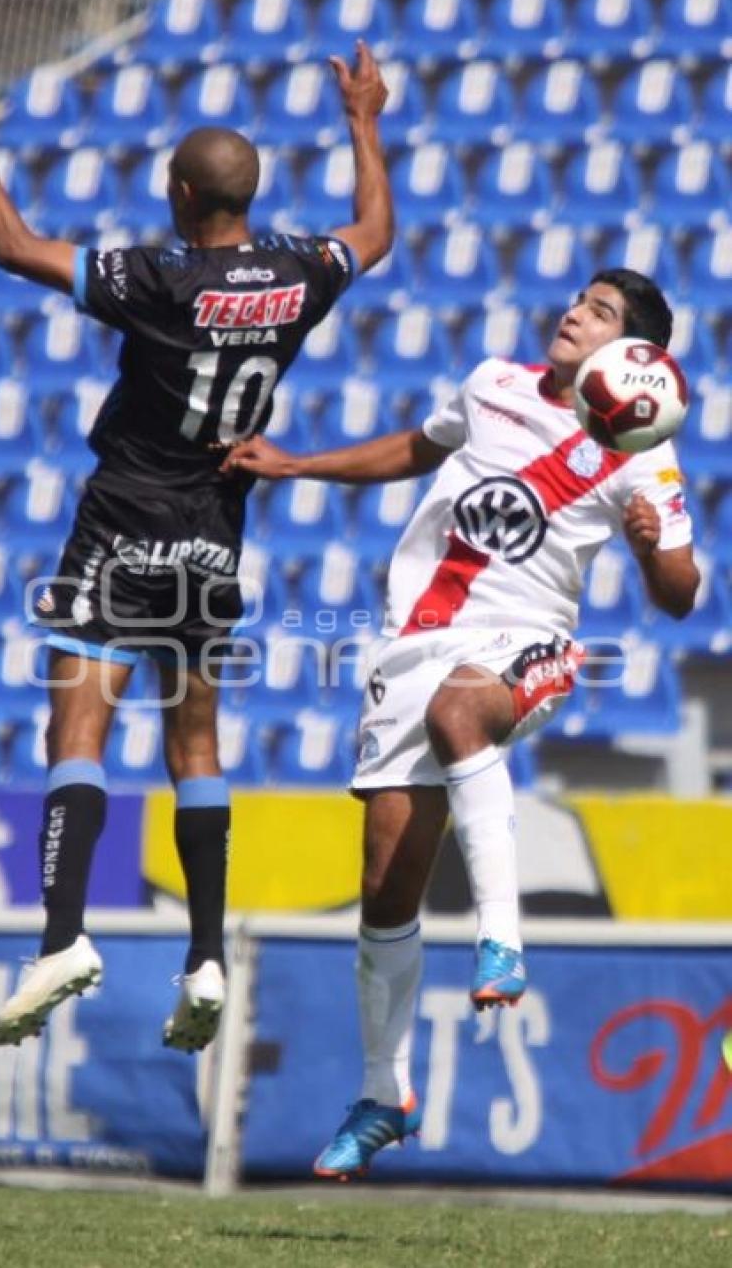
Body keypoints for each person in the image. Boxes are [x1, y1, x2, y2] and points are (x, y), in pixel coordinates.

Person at [0, 41, 392, 1052]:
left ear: (181, 194)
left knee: (77, 731)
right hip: (218, 537)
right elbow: (374, 231)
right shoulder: (297, 272)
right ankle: (206, 954)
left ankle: (61, 938)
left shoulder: (155, 277)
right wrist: (364, 119)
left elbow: (12, 246)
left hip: (123, 519)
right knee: (195, 746)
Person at [223, 268, 700, 1177]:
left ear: (633, 354)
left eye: (599, 311)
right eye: (578, 299)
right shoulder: (492, 384)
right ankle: (383, 1093)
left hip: (529, 644)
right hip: (416, 641)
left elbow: (682, 593)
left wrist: (647, 546)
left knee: (460, 712)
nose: (572, 312)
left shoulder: (642, 449)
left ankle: (501, 939)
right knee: (385, 887)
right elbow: (414, 445)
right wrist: (297, 463)